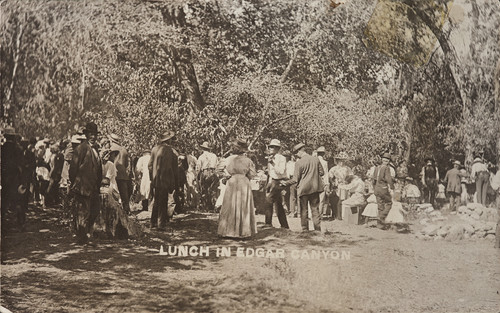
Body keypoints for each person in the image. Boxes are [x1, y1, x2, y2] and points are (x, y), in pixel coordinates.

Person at [69, 122, 102, 244]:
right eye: (91, 134)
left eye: (95, 134)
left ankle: (87, 234)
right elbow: (73, 169)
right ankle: (82, 238)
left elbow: (98, 168)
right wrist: (77, 184)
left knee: (95, 210)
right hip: (83, 187)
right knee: (84, 212)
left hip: (93, 187)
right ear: (86, 135)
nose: (93, 137)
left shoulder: (96, 149)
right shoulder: (81, 149)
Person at [217, 139, 257, 238]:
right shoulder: (248, 160)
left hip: (232, 181)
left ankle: (228, 231)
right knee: (243, 205)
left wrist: (225, 176)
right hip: (243, 181)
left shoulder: (228, 159)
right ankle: (243, 231)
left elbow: (218, 169)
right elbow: (252, 174)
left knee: (230, 204)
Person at [285, 143, 324, 232]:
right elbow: (322, 173)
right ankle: (317, 230)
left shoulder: (299, 163)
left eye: (296, 153)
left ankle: (305, 229)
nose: (296, 155)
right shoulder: (315, 159)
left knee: (304, 210)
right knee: (315, 210)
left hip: (304, 189)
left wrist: (285, 183)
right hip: (315, 188)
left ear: (300, 151)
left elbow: (295, 179)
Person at [148, 131, 179, 230]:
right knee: (163, 201)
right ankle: (161, 224)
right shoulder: (170, 151)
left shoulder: (154, 149)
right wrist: (174, 182)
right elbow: (174, 168)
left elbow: (149, 165)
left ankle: (153, 222)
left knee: (156, 200)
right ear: (168, 140)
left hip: (156, 179)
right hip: (165, 179)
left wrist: (152, 178)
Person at [263, 139, 289, 229]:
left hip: (280, 181)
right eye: (270, 147)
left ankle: (268, 223)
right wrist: (270, 182)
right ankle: (284, 225)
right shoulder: (270, 158)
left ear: (277, 148)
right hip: (273, 181)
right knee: (278, 204)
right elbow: (271, 172)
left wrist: (273, 163)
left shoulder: (281, 158)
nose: (270, 148)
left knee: (268, 200)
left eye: (272, 147)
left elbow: (281, 171)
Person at [109, 134, 131, 213]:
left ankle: (115, 212)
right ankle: (126, 211)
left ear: (111, 140)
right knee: (124, 194)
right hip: (123, 174)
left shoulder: (111, 148)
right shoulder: (124, 149)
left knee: (114, 193)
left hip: (114, 173)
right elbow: (126, 164)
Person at [372, 153, 394, 229]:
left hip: (377, 188)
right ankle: (381, 217)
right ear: (388, 161)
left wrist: (374, 188)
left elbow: (374, 179)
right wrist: (392, 186)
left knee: (380, 206)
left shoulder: (377, 167)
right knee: (389, 203)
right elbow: (388, 179)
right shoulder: (387, 168)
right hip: (383, 188)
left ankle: (380, 225)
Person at [328, 151, 352, 220]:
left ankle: (343, 215)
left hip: (345, 185)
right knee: (336, 200)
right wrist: (332, 183)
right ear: (337, 161)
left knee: (344, 200)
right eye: (340, 161)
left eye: (343, 161)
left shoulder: (347, 168)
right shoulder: (334, 168)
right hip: (337, 185)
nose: (342, 162)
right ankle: (336, 214)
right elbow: (330, 176)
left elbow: (351, 177)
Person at [197, 141, 219, 211]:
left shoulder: (201, 157)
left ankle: (206, 206)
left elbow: (198, 168)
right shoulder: (214, 156)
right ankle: (212, 206)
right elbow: (217, 165)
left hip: (205, 172)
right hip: (213, 172)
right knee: (212, 190)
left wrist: (197, 177)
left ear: (203, 149)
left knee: (204, 190)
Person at [316, 146, 330, 217]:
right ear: (323, 154)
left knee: (313, 199)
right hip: (322, 182)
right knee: (321, 199)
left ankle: (311, 214)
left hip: (313, 181)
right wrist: (327, 184)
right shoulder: (324, 162)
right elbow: (326, 174)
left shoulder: (313, 160)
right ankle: (319, 214)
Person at [286, 153, 299, 217]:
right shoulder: (289, 163)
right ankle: (292, 211)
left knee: (299, 196)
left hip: (299, 179)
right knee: (292, 195)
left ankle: (299, 212)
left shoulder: (299, 162)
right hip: (292, 178)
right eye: (294, 156)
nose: (294, 157)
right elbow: (288, 172)